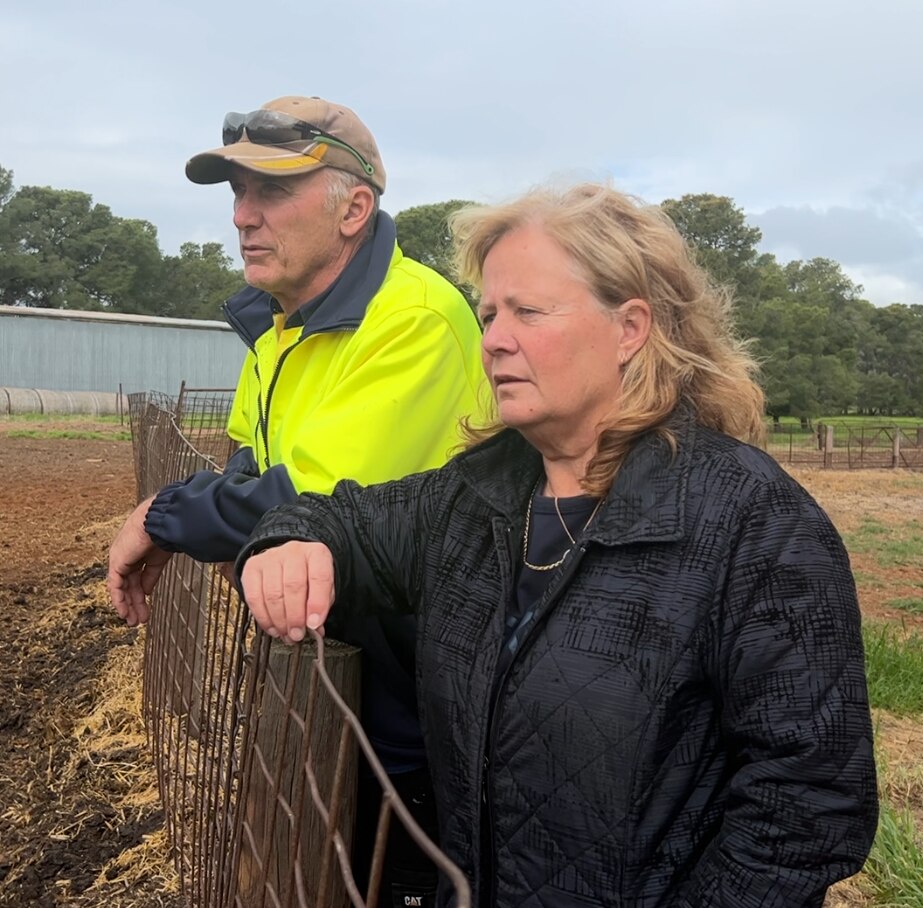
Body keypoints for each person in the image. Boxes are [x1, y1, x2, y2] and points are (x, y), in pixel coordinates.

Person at [236, 183, 879, 907]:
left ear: (629, 328)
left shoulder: (751, 524)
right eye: (487, 315)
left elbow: (809, 804)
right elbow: (343, 518)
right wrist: (289, 540)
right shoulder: (475, 495)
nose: (492, 341)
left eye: (527, 312)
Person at [107, 95, 485, 906]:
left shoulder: (412, 320)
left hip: (411, 711)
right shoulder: (276, 330)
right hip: (320, 673)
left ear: (353, 208)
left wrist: (165, 514)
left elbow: (311, 501)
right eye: (237, 193)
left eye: (271, 192)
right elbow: (247, 475)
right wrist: (199, 507)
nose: (243, 216)